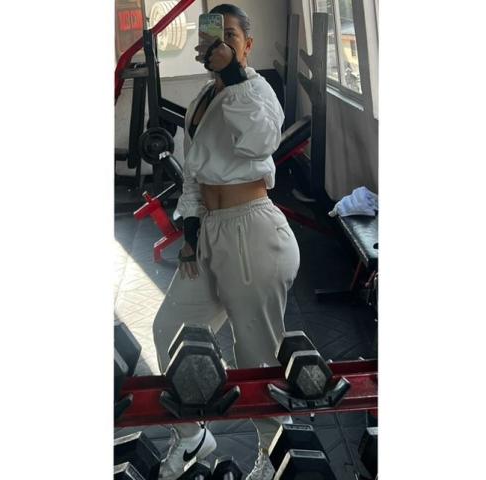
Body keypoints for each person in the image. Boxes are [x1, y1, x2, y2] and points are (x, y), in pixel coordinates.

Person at [152, 4, 300, 480]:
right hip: (212, 231)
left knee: (256, 357)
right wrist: (191, 231)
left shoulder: (256, 90)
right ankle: (193, 436)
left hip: (252, 230)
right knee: (170, 330)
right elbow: (194, 172)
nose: (218, 45)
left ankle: (274, 458)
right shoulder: (203, 96)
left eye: (230, 36)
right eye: (211, 37)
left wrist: (234, 73)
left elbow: (259, 141)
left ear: (246, 45)